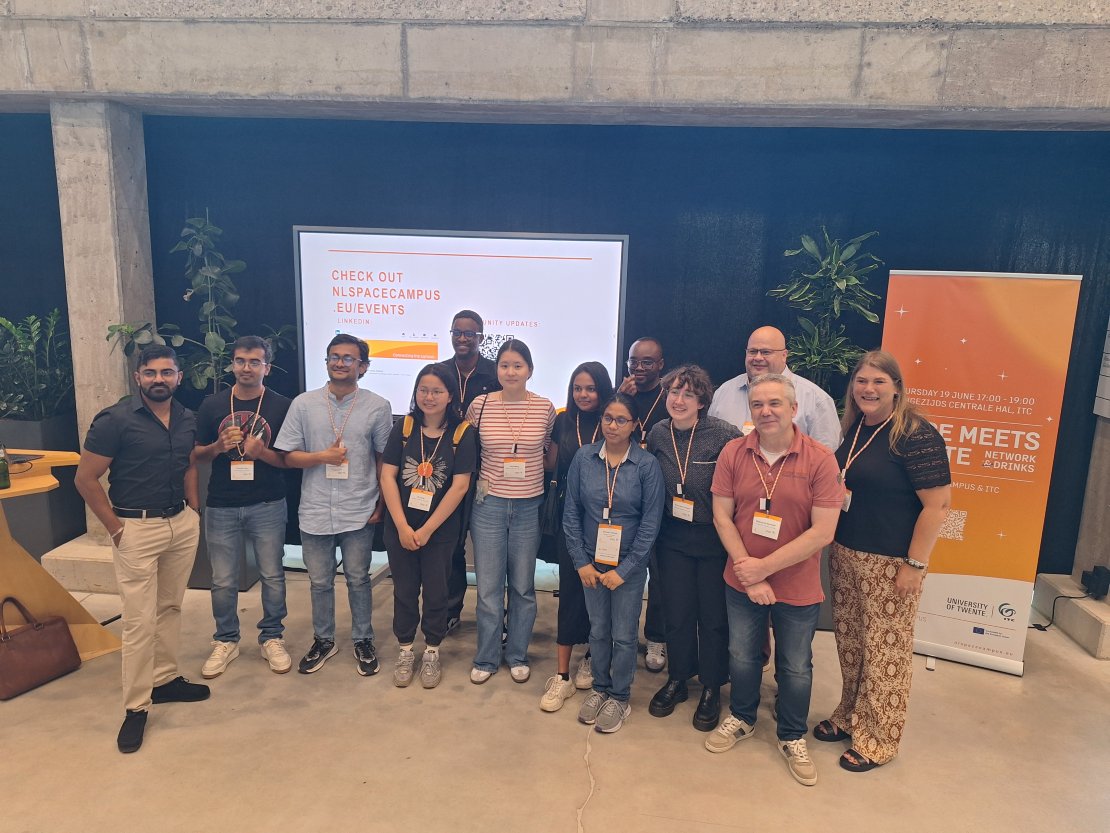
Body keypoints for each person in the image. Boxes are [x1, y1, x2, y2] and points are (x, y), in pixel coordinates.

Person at [817, 350, 951, 772]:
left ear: (896, 387)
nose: (868, 389)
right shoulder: (856, 426)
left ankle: (879, 739)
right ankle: (849, 715)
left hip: (891, 564)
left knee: (885, 652)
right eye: (861, 381)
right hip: (846, 553)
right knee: (852, 644)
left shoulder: (915, 434)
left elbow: (939, 505)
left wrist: (915, 564)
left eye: (878, 381)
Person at [707, 373, 843, 786]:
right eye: (758, 405)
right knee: (742, 655)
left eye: (775, 404)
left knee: (796, 665)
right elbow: (722, 517)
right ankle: (742, 717)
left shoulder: (820, 459)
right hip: (742, 579)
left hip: (796, 584)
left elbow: (823, 532)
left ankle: (792, 735)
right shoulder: (734, 452)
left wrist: (763, 569)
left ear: (793, 408)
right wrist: (748, 572)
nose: (765, 411)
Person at [74, 345, 206, 754]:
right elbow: (85, 479)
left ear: (178, 377)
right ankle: (136, 707)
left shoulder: (186, 418)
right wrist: (116, 529)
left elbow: (188, 463)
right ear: (138, 378)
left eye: (167, 372)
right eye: (150, 373)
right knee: (138, 621)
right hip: (135, 528)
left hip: (180, 524)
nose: (159, 379)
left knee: (171, 607)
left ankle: (164, 680)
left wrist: (193, 511)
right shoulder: (114, 420)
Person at [275, 334, 393, 676]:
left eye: (348, 358)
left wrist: (382, 502)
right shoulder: (303, 404)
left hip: (359, 505)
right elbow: (288, 456)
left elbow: (384, 459)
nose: (340, 363)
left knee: (358, 578)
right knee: (319, 581)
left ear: (363, 367)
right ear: (326, 362)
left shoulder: (377, 406)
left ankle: (363, 639)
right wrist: (321, 457)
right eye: (334, 357)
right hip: (315, 506)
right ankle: (324, 640)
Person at [563, 393, 665, 733]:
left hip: (628, 567)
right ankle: (599, 688)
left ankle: (620, 696)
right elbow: (571, 512)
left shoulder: (646, 465)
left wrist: (625, 570)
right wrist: (581, 562)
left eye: (621, 420)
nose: (613, 425)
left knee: (623, 634)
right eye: (608, 418)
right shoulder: (584, 457)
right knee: (598, 630)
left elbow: (650, 523)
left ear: (635, 425)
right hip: (591, 563)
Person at [192, 336, 293, 678]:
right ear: (232, 364)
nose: (246, 368)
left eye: (254, 362)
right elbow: (196, 455)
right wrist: (218, 447)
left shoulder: (281, 406)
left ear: (267, 367)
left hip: (268, 502)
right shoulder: (212, 405)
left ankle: (272, 637)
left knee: (272, 575)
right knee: (222, 580)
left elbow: (288, 460)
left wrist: (262, 453)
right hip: (221, 503)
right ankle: (226, 640)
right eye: (240, 361)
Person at [646, 365, 740, 731]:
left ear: (702, 401)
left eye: (688, 394)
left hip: (713, 536)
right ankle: (678, 677)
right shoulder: (658, 433)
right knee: (677, 611)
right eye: (674, 392)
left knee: (713, 616)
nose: (679, 400)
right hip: (671, 537)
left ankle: (712, 685)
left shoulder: (724, 434)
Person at [379, 364, 477, 689]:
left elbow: (460, 487)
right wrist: (402, 526)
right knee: (404, 591)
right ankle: (406, 649)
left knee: (437, 592)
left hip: (440, 532)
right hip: (401, 527)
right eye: (423, 390)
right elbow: (387, 476)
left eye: (437, 391)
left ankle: (432, 649)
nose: (429, 397)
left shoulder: (463, 434)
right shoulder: (405, 427)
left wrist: (426, 531)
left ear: (450, 396)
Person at [465, 339, 555, 684]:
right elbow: (470, 451)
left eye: (518, 365)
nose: (511, 372)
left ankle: (517, 654)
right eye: (505, 365)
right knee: (488, 588)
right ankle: (486, 658)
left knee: (522, 587)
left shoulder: (544, 408)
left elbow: (547, 454)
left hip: (529, 505)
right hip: (488, 505)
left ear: (530, 370)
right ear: (496, 369)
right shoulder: (481, 405)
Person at [538, 361, 614, 712]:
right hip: (570, 517)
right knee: (571, 590)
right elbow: (551, 463)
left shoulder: (613, 419)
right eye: (578, 388)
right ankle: (562, 675)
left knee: (601, 591)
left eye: (591, 388)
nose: (583, 395)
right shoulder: (563, 420)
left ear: (603, 390)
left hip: (609, 520)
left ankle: (593, 656)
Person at [434, 309, 501, 633]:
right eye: (457, 332)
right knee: (451, 544)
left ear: (481, 338)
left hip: (489, 469)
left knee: (496, 550)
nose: (462, 338)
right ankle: (450, 610)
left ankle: (497, 617)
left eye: (469, 334)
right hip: (446, 470)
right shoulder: (439, 372)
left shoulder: (495, 373)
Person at [617, 336, 669, 671]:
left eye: (647, 362)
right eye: (633, 361)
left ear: (660, 365)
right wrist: (621, 397)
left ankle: (656, 637)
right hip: (624, 495)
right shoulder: (623, 394)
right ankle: (619, 633)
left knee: (660, 575)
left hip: (662, 497)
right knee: (623, 568)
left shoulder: (670, 398)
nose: (639, 368)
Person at [708, 326, 841, 450]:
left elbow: (827, 455)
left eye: (766, 352)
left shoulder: (815, 400)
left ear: (784, 355)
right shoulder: (724, 392)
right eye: (753, 351)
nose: (758, 358)